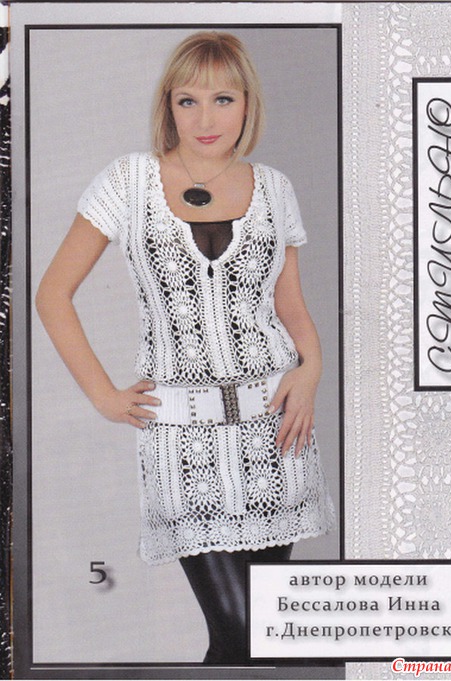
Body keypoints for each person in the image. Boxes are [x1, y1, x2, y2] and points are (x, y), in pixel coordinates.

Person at [36, 31, 335, 665]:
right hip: (183, 444)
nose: (205, 119)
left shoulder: (273, 187)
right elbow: (53, 294)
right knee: (244, 632)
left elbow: (292, 309)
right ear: (167, 105)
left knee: (250, 644)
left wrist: (311, 372)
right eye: (188, 100)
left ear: (248, 104)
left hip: (275, 436)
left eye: (224, 99)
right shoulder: (129, 181)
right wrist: (103, 396)